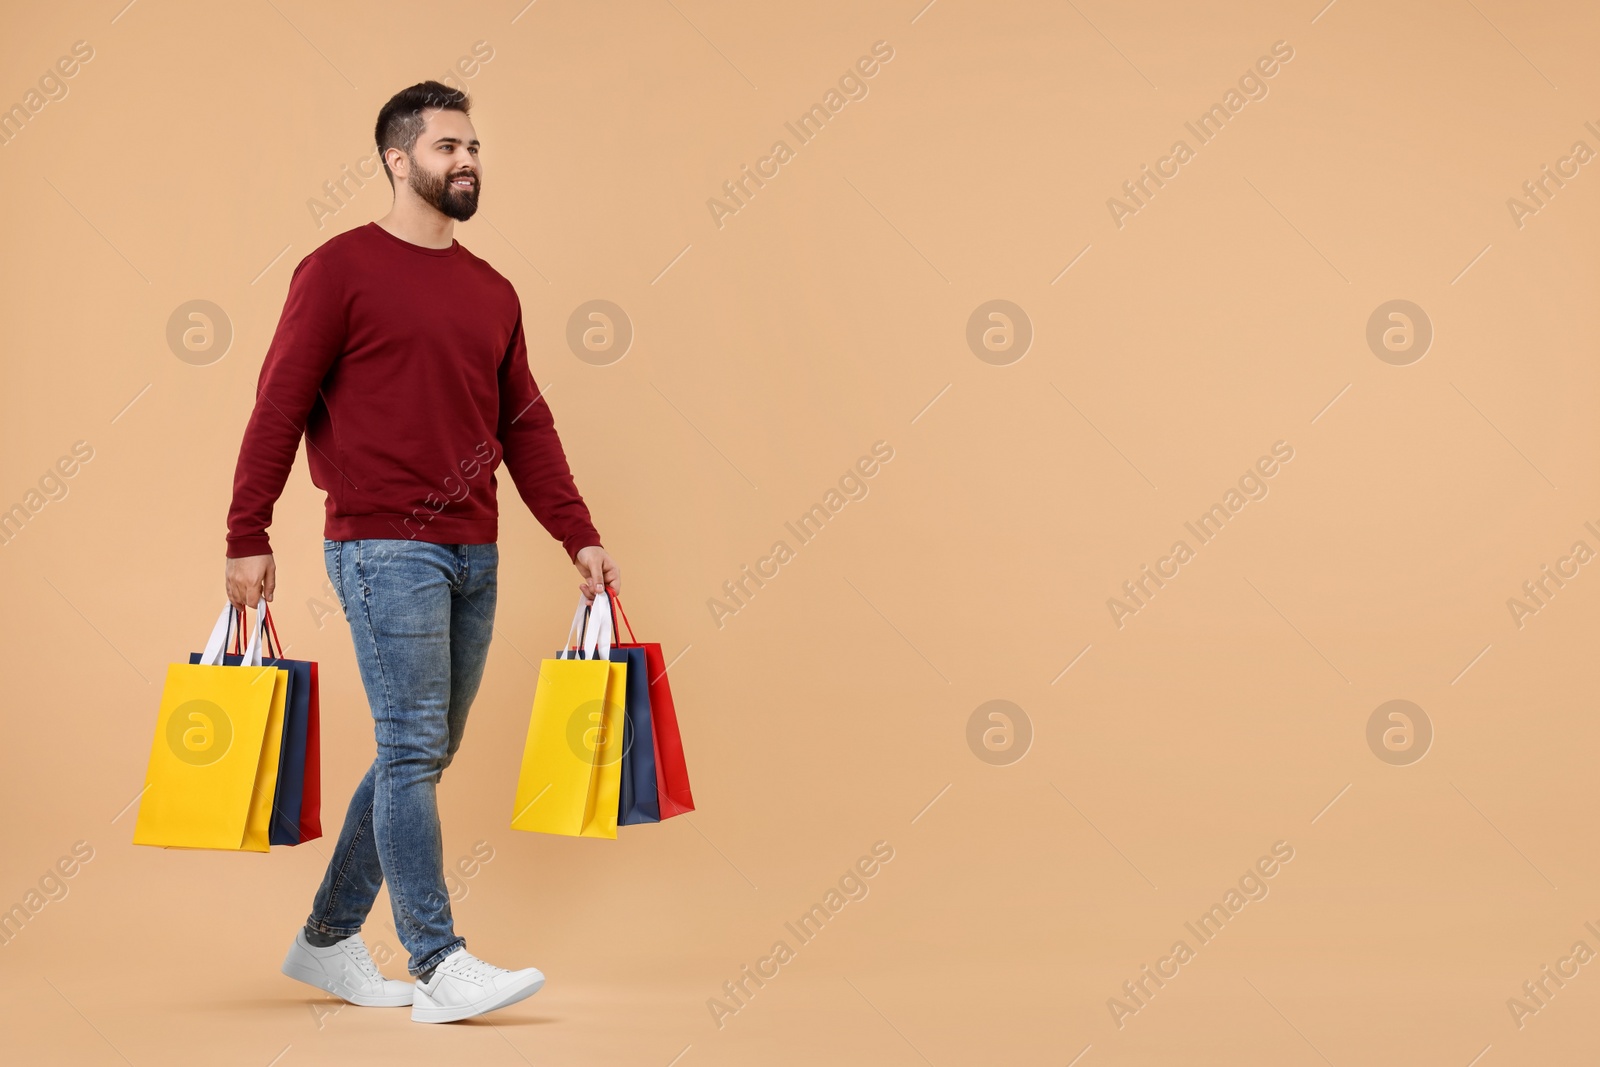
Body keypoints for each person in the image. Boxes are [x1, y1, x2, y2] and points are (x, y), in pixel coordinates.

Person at [223, 80, 619, 1024]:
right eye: (447, 148)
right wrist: (247, 531)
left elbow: (526, 423)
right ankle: (439, 961)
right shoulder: (338, 270)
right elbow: (278, 403)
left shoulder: (492, 290)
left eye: (474, 146)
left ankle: (325, 940)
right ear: (398, 160)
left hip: (471, 546)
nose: (467, 161)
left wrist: (579, 530)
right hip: (382, 543)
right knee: (410, 747)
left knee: (425, 749)